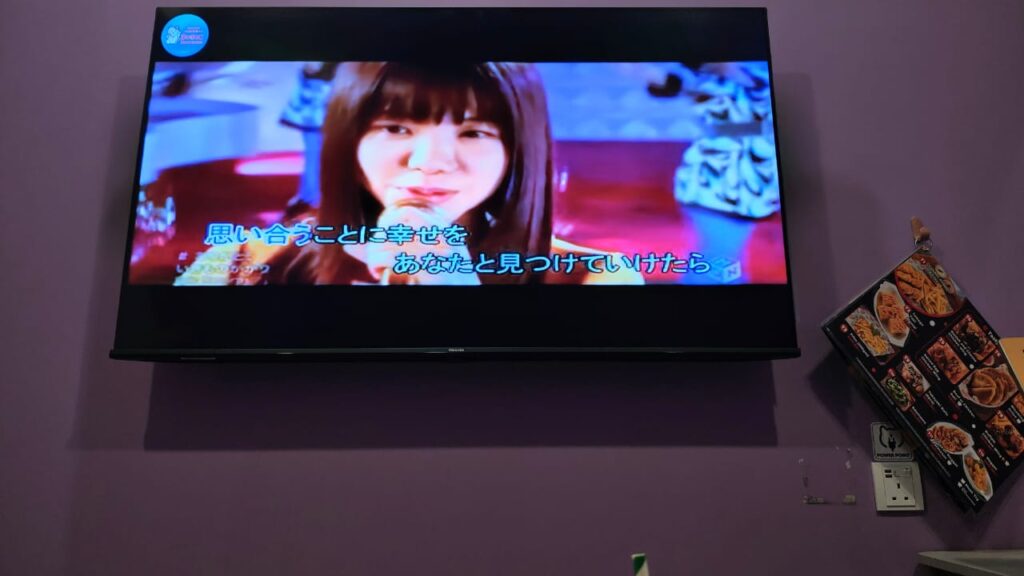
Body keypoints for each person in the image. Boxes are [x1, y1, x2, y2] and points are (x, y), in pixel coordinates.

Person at [177, 62, 641, 286]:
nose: (429, 162)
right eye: (396, 128)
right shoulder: (246, 259)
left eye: (474, 133)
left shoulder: (595, 277)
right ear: (348, 140)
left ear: (518, 151)